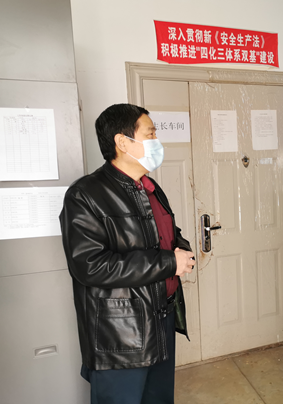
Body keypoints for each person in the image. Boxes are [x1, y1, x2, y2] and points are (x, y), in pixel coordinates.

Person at [60, 104, 196, 404]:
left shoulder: (149, 187)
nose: (157, 141)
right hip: (121, 333)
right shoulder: (85, 195)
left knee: (158, 399)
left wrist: (181, 249)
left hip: (161, 318)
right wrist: (168, 262)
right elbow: (90, 266)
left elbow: (166, 233)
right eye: (150, 134)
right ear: (122, 142)